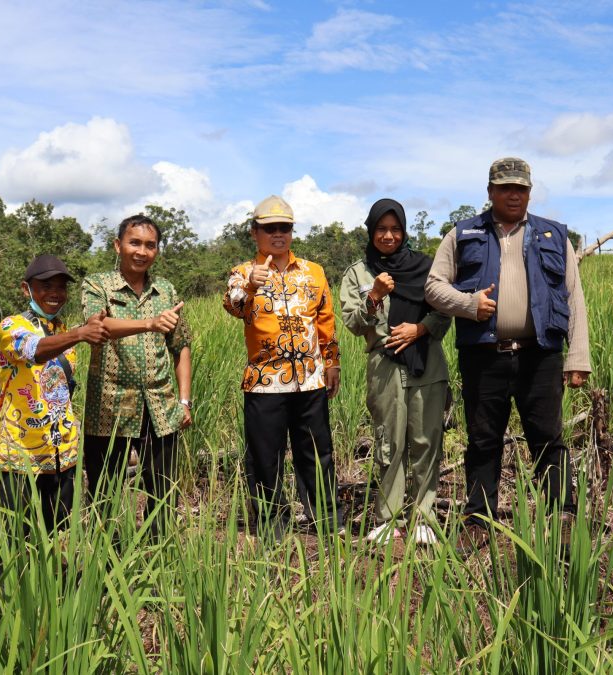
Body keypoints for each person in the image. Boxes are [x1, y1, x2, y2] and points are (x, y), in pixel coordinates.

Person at [425, 157, 591, 552]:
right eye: (505, 188)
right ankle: (479, 520)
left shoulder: (554, 236)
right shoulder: (462, 234)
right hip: (484, 355)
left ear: (530, 192)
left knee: (548, 438)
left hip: (541, 356)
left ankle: (561, 518)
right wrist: (467, 304)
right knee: (483, 440)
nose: (513, 194)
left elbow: (574, 297)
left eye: (520, 188)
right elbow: (433, 287)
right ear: (490, 192)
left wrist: (577, 356)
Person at [223, 195, 343, 543]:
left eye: (285, 228)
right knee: (265, 458)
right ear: (254, 232)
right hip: (264, 382)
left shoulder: (313, 272)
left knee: (317, 453)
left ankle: (327, 520)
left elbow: (325, 321)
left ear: (292, 231)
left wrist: (332, 362)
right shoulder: (243, 273)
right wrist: (250, 285)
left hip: (310, 380)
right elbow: (233, 307)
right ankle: (273, 526)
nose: (278, 234)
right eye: (269, 228)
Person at [339, 198, 451, 546]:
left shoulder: (427, 267)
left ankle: (423, 518)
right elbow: (355, 324)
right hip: (384, 366)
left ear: (404, 231)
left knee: (425, 441)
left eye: (395, 229)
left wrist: (419, 329)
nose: (388, 236)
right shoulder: (359, 273)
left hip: (426, 364)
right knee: (389, 443)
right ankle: (387, 518)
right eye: (381, 229)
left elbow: (444, 310)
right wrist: (374, 296)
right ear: (371, 231)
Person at [81, 214, 192, 541]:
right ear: (118, 246)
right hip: (109, 409)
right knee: (105, 495)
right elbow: (96, 327)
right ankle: (106, 566)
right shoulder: (98, 285)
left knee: (163, 493)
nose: (142, 251)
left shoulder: (166, 290)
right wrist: (149, 323)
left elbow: (181, 346)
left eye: (150, 245)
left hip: (161, 408)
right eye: (134, 243)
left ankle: (160, 560)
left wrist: (184, 401)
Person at [0, 254, 108, 535]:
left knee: (56, 535)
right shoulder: (11, 327)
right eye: (46, 286)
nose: (55, 293)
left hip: (62, 454)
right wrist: (81, 333)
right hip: (21, 456)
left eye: (61, 286)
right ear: (26, 289)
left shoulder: (62, 330)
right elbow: (35, 349)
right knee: (13, 539)